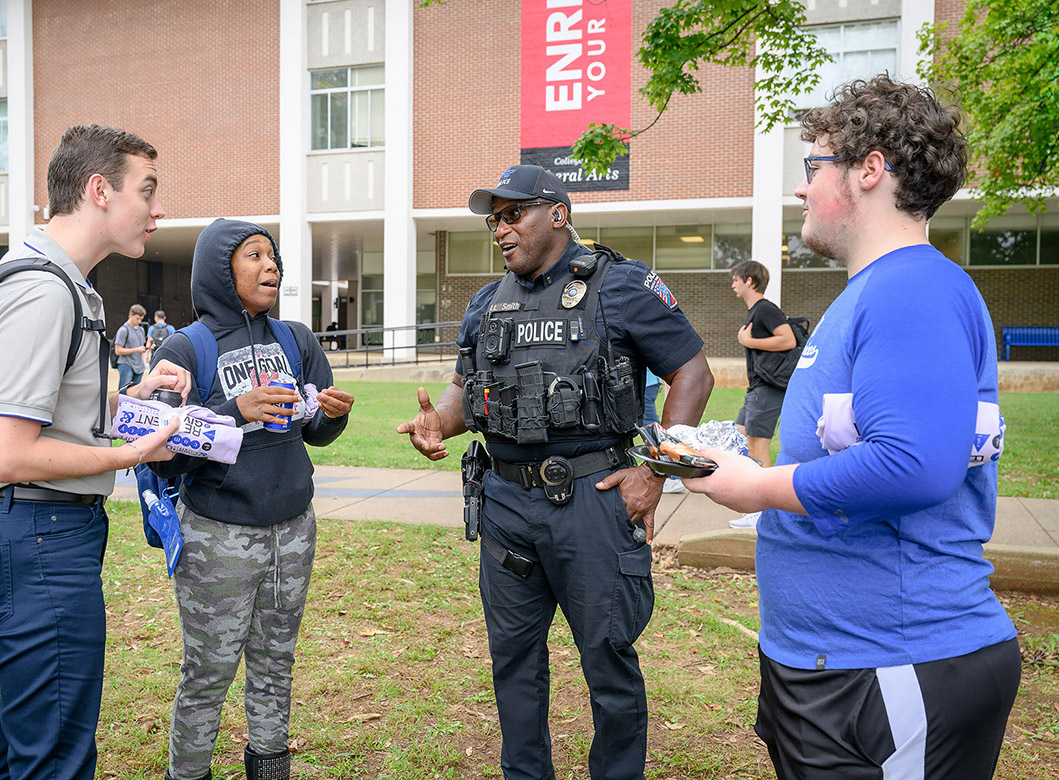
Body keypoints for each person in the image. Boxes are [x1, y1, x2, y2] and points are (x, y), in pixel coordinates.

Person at [682, 76, 1021, 779]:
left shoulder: (911, 288)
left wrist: (758, 487)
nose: (803, 189)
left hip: (894, 664)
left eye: (814, 166)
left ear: (870, 169)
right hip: (840, 662)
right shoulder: (874, 293)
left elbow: (915, 465)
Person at [398, 165, 713, 780]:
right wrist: (441, 420)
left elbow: (693, 373)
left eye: (513, 214)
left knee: (607, 659)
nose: (501, 229)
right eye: (494, 219)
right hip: (507, 507)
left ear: (558, 213)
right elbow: (468, 392)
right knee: (513, 658)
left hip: (593, 501)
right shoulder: (487, 304)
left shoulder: (620, 286)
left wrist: (654, 470)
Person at [0, 124, 189, 780]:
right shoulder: (42, 292)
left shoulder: (58, 281)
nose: (158, 208)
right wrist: (131, 454)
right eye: (148, 190)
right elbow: (7, 453)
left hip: (25, 538)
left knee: (4, 750)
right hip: (35, 542)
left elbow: (42, 410)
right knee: (52, 760)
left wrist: (130, 399)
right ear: (98, 191)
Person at [150, 219, 354, 780]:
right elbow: (162, 449)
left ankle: (269, 768)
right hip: (217, 536)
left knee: (275, 663)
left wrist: (333, 416)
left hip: (293, 531)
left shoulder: (296, 339)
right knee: (208, 673)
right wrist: (236, 412)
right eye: (254, 256)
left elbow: (314, 433)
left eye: (274, 256)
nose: (272, 266)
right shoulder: (185, 347)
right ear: (221, 269)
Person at [727, 259, 795, 528]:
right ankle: (754, 503)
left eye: (735, 279)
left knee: (758, 445)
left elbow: (787, 339)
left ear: (749, 281)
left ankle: (762, 512)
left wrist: (749, 341)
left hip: (768, 387)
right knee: (742, 437)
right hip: (756, 387)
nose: (733, 284)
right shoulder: (755, 311)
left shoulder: (766, 309)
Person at [114, 303, 148, 389]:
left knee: (136, 393)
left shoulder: (141, 330)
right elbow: (117, 351)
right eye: (137, 319)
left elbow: (141, 346)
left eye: (141, 319)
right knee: (124, 393)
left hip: (139, 366)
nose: (139, 321)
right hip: (126, 364)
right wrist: (136, 349)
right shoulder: (123, 330)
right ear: (131, 315)